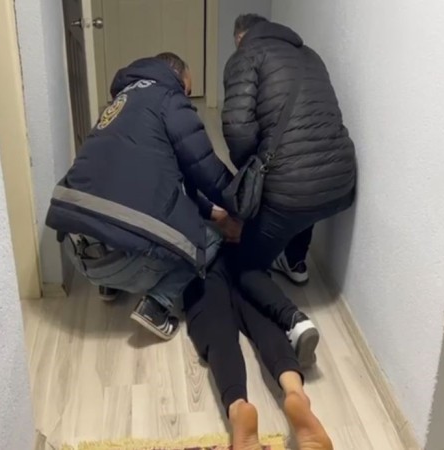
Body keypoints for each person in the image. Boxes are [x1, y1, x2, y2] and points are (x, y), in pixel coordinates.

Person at [46, 52, 239, 340]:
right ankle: (156, 306)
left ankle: (108, 285)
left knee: (119, 196)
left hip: (76, 251)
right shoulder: (170, 100)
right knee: (208, 239)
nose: (187, 97)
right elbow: (206, 170)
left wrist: (212, 211)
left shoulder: (119, 104)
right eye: (187, 90)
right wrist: (241, 205)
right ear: (177, 77)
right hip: (125, 262)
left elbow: (175, 185)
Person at [221, 14, 357, 365]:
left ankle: (294, 322)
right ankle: (296, 261)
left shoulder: (246, 56)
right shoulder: (311, 56)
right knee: (303, 187)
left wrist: (251, 168)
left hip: (292, 191)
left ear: (240, 37)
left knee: (243, 264)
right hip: (341, 179)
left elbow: (237, 129)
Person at [184, 253, 333, 450]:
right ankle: (296, 393)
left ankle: (238, 408)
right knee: (263, 319)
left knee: (217, 333)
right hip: (242, 259)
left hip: (201, 265)